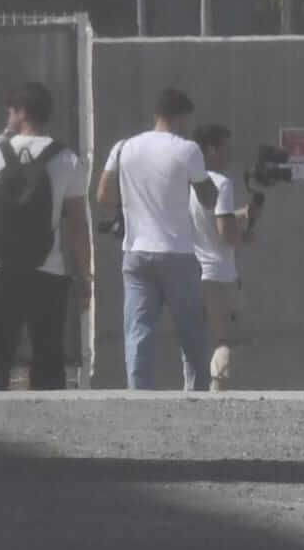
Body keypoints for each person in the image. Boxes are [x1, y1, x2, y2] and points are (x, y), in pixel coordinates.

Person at [0, 83, 92, 392]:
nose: (8, 116)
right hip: (48, 272)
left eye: (11, 110)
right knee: (48, 355)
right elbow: (77, 225)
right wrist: (84, 275)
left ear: (22, 112)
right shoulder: (67, 159)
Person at [97, 88, 218, 391]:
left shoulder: (123, 148)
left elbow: (103, 195)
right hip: (176, 252)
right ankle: (197, 391)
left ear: (156, 115)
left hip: (136, 251)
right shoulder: (188, 150)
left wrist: (133, 202)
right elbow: (207, 199)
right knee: (191, 329)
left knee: (138, 330)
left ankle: (139, 393)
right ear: (182, 117)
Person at [191, 123, 261, 391]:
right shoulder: (220, 183)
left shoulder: (184, 182)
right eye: (225, 148)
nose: (229, 154)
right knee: (225, 341)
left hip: (192, 273)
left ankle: (192, 389)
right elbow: (225, 233)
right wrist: (243, 238)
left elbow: (207, 220)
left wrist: (242, 214)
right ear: (211, 150)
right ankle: (216, 396)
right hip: (219, 276)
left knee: (195, 341)